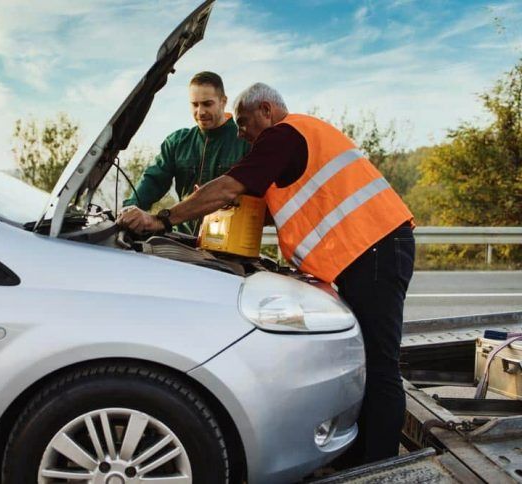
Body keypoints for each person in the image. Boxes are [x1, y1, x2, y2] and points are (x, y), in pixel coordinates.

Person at [118, 82, 415, 466]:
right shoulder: (291, 145)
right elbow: (250, 205)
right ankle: (359, 454)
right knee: (364, 359)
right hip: (368, 253)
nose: (240, 133)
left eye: (243, 123)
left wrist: (163, 219)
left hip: (377, 250)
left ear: (267, 111)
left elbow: (228, 188)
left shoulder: (285, 134)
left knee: (379, 364)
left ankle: (381, 466)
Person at [123, 71, 249, 234]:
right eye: (195, 104)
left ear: (223, 102)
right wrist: (129, 211)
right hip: (182, 239)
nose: (201, 112)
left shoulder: (246, 141)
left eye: (207, 104)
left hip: (229, 246)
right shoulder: (177, 142)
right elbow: (152, 181)